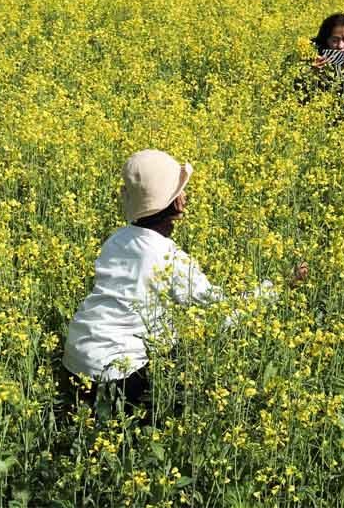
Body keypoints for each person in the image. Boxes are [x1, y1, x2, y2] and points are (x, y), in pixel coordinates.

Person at [61, 149, 307, 424]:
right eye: (181, 191)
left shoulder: (116, 239)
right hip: (115, 372)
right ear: (176, 204)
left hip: (75, 358)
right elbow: (220, 309)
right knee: (164, 406)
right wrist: (278, 287)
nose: (186, 195)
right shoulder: (169, 258)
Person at [294, 13, 344, 114]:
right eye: (334, 40)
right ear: (326, 40)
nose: (340, 46)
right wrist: (311, 74)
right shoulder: (310, 57)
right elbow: (297, 94)